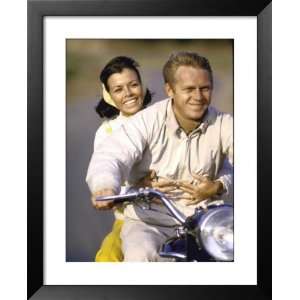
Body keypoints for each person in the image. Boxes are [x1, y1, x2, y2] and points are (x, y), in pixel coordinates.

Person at [86, 51, 233, 262]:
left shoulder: (224, 123)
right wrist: (105, 185)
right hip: (148, 219)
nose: (199, 97)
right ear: (170, 90)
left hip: (205, 220)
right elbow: (110, 156)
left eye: (205, 88)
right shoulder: (144, 121)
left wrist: (219, 185)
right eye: (189, 89)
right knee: (136, 256)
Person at [92, 56, 166, 262]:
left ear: (142, 85)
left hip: (176, 213)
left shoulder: (163, 117)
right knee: (107, 259)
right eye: (118, 89)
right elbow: (106, 181)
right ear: (108, 95)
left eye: (133, 85)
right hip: (131, 219)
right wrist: (139, 189)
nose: (128, 94)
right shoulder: (107, 132)